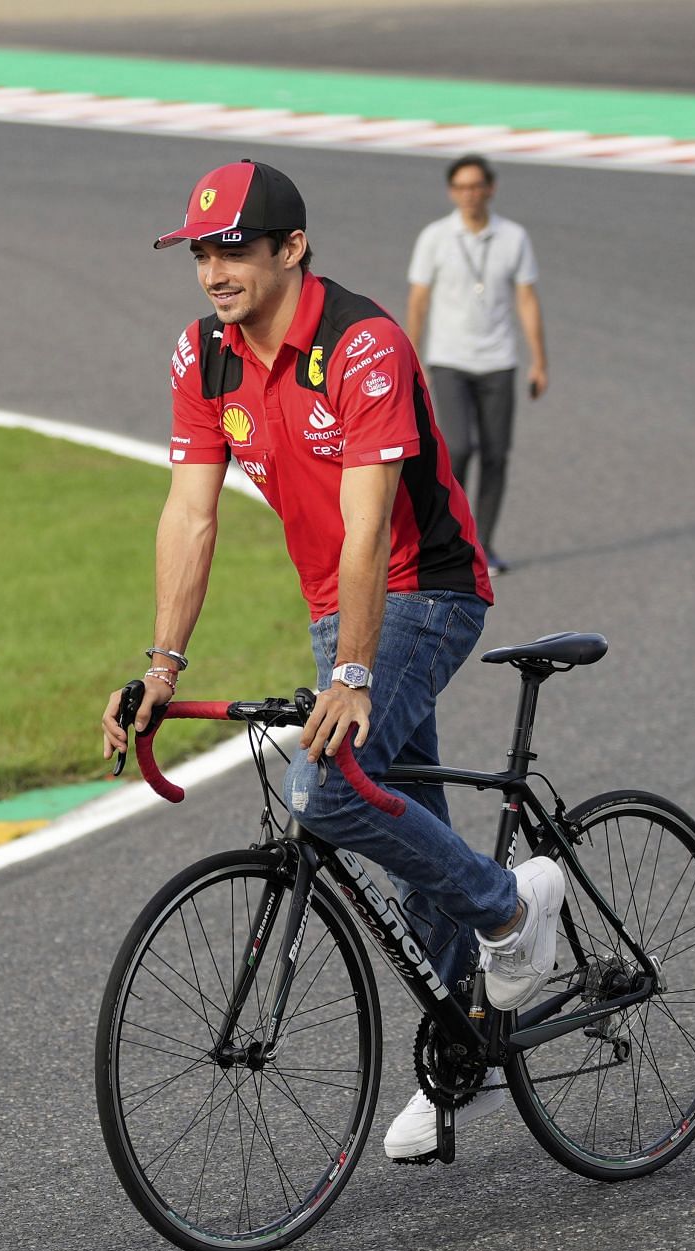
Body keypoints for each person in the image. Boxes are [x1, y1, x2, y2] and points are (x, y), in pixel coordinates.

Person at [101, 159, 566, 1163]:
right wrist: (164, 666)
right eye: (200, 251)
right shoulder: (205, 355)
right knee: (405, 831)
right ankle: (466, 1049)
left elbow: (371, 530)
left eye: (232, 248)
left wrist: (352, 674)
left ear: (291, 248)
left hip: (428, 591)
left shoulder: (361, 344)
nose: (213, 269)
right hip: (339, 607)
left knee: (325, 791)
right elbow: (191, 512)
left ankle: (508, 903)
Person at [405, 154, 548, 576]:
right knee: (458, 449)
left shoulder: (514, 237)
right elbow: (418, 299)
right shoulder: (435, 237)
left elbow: (527, 299)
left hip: (499, 361)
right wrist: (412, 358)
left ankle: (482, 545)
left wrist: (540, 360)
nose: (469, 195)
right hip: (449, 359)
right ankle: (450, 538)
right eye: (461, 188)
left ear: (491, 188)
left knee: (496, 454)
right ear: (452, 193)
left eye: (476, 186)